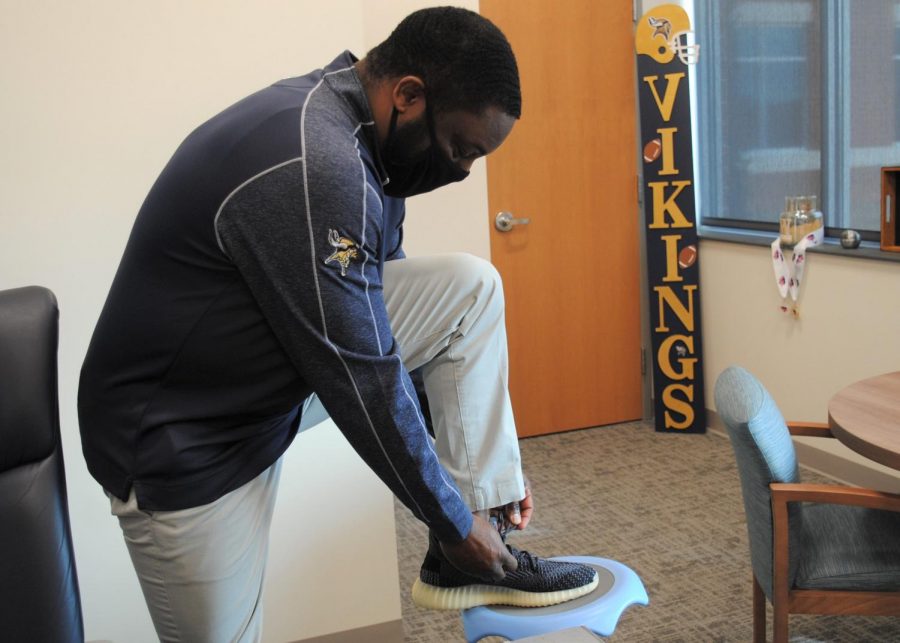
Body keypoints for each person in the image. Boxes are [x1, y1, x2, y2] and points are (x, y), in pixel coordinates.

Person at [78, 7, 597, 642]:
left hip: (262, 386)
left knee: (467, 290)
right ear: (409, 95)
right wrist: (457, 527)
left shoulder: (373, 141)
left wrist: (471, 497)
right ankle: (471, 547)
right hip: (181, 442)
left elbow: (399, 322)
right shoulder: (317, 164)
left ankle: (482, 526)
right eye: (461, 149)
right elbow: (365, 377)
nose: (462, 172)